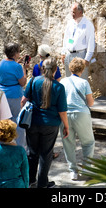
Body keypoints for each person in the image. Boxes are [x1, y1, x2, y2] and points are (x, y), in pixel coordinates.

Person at [22, 57, 69, 188]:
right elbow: (62, 111)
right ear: (56, 70)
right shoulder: (59, 87)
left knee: (32, 153)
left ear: (42, 69)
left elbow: (23, 101)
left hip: (33, 122)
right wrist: (66, 126)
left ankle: (31, 180)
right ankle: (42, 183)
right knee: (46, 154)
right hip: (50, 124)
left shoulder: (33, 81)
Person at [59, 57, 95, 180]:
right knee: (88, 142)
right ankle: (87, 168)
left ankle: (72, 171)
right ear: (82, 69)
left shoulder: (63, 81)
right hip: (81, 115)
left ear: (70, 68)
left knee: (68, 143)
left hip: (65, 114)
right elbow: (90, 103)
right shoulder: (84, 83)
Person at [0, 43, 29, 147]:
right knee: (17, 120)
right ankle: (20, 146)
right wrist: (24, 69)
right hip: (14, 95)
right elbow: (23, 82)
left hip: (3, 94)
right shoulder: (17, 67)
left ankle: (4, 143)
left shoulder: (1, 63)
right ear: (15, 53)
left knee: (5, 119)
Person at [61, 2, 95, 80]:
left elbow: (91, 43)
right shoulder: (70, 23)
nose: (71, 14)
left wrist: (87, 59)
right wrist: (63, 53)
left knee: (80, 80)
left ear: (80, 12)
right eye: (71, 12)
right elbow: (67, 38)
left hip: (80, 56)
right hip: (69, 55)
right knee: (69, 80)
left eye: (73, 12)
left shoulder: (88, 24)